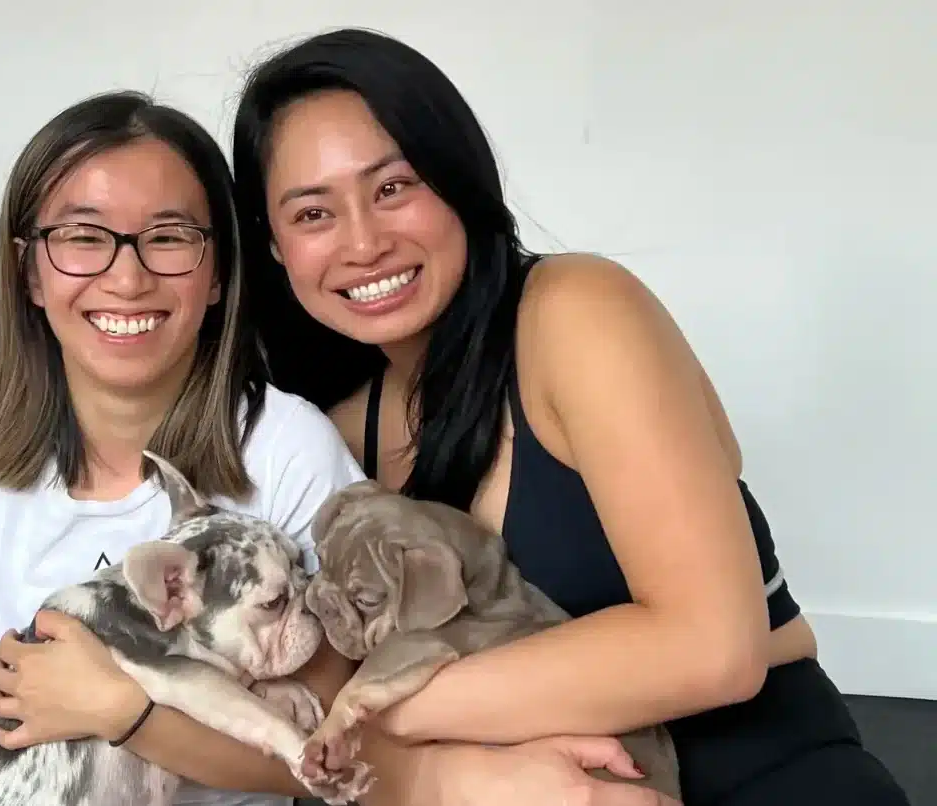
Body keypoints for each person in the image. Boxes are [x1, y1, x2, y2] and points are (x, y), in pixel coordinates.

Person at [230, 26, 912, 806]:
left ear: (458, 178)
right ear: (277, 249)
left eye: (394, 187)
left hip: (758, 775)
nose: (364, 241)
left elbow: (715, 650)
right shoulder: (335, 431)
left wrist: (378, 710)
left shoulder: (577, 313)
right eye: (313, 214)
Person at [0, 89, 373, 806]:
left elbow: (331, 739)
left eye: (168, 237)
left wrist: (125, 712)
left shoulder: (286, 449)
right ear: (29, 273)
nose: (128, 277)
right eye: (84, 237)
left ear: (219, 274)